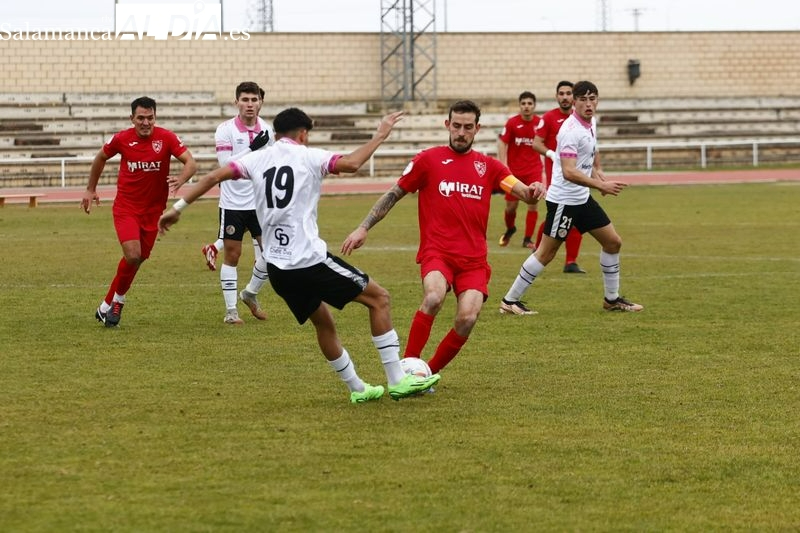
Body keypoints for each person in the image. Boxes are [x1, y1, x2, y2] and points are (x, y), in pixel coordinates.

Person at [158, 107, 440, 403]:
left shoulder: (255, 159)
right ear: (303, 134)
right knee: (379, 299)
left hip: (277, 268)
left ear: (275, 133)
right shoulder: (309, 156)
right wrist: (380, 135)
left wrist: (177, 209)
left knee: (323, 323)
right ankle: (397, 380)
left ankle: (358, 389)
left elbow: (214, 176)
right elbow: (354, 164)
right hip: (308, 260)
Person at [341, 100, 546, 374]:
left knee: (468, 317)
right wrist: (364, 226)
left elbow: (519, 189)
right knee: (434, 297)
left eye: (468, 127)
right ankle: (406, 369)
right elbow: (394, 193)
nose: (461, 132)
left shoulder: (489, 166)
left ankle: (428, 373)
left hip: (474, 260)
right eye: (457, 126)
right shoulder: (428, 160)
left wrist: (532, 190)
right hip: (438, 253)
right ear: (448, 125)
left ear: (477, 129)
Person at [500, 81, 644, 315]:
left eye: (593, 99)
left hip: (582, 198)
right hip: (564, 201)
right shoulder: (570, 130)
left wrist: (597, 170)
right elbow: (569, 171)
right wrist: (600, 185)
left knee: (612, 242)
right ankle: (510, 300)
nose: (589, 104)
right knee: (546, 253)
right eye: (583, 99)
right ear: (575, 102)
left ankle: (612, 299)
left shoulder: (591, 122)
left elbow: (591, 151)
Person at [82, 96, 197, 327]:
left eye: (150, 118)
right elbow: (100, 157)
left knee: (138, 258)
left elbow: (191, 163)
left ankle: (106, 305)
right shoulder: (122, 139)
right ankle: (118, 303)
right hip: (126, 208)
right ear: (132, 119)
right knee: (133, 255)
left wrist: (181, 179)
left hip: (154, 212)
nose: (146, 123)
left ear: (155, 117)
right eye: (141, 118)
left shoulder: (166, 138)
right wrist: (90, 189)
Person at [199, 81, 275, 324]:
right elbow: (225, 166)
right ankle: (231, 312)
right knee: (233, 255)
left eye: (254, 100)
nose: (249, 105)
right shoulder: (225, 129)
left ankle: (250, 293)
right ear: (237, 102)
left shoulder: (268, 129)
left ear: (260, 102)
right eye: (245, 100)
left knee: (272, 254)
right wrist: (252, 149)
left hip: (261, 202)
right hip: (233, 203)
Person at [532, 80, 586, 273]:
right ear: (557, 96)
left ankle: (571, 261)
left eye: (568, 93)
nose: (565, 97)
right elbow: (536, 143)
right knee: (554, 221)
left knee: (576, 220)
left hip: (579, 179)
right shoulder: (548, 118)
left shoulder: (581, 119)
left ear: (574, 96)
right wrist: (550, 154)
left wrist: (597, 169)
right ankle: (537, 253)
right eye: (561, 93)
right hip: (559, 181)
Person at [496, 91, 544, 249]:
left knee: (533, 203)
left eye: (530, 103)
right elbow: (502, 142)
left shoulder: (540, 123)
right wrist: (503, 164)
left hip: (534, 170)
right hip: (514, 173)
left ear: (534, 106)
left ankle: (527, 239)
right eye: (523, 103)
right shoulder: (512, 123)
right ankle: (510, 228)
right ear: (520, 105)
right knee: (511, 207)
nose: (526, 106)